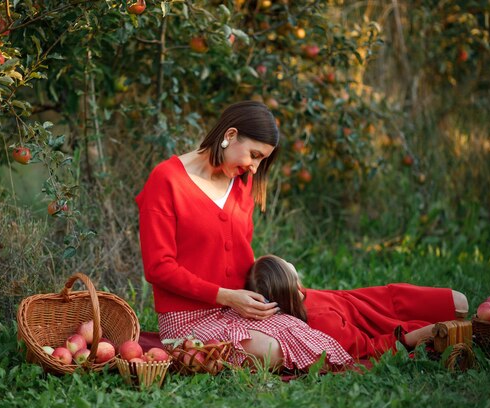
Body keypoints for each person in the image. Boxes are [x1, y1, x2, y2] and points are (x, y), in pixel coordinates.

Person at [136, 101, 354, 371]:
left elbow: (240, 253)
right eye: (254, 155)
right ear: (230, 136)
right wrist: (225, 296)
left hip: (238, 308)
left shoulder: (241, 183)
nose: (254, 168)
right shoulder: (166, 180)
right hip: (187, 320)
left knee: (316, 342)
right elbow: (158, 268)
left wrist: (277, 272)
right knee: (275, 350)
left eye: (261, 160)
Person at [246, 254, 470, 359]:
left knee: (460, 301)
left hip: (386, 300)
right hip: (386, 321)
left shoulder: (296, 295)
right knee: (461, 315)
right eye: (286, 264)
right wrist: (416, 336)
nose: (291, 263)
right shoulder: (320, 319)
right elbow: (369, 348)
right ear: (288, 280)